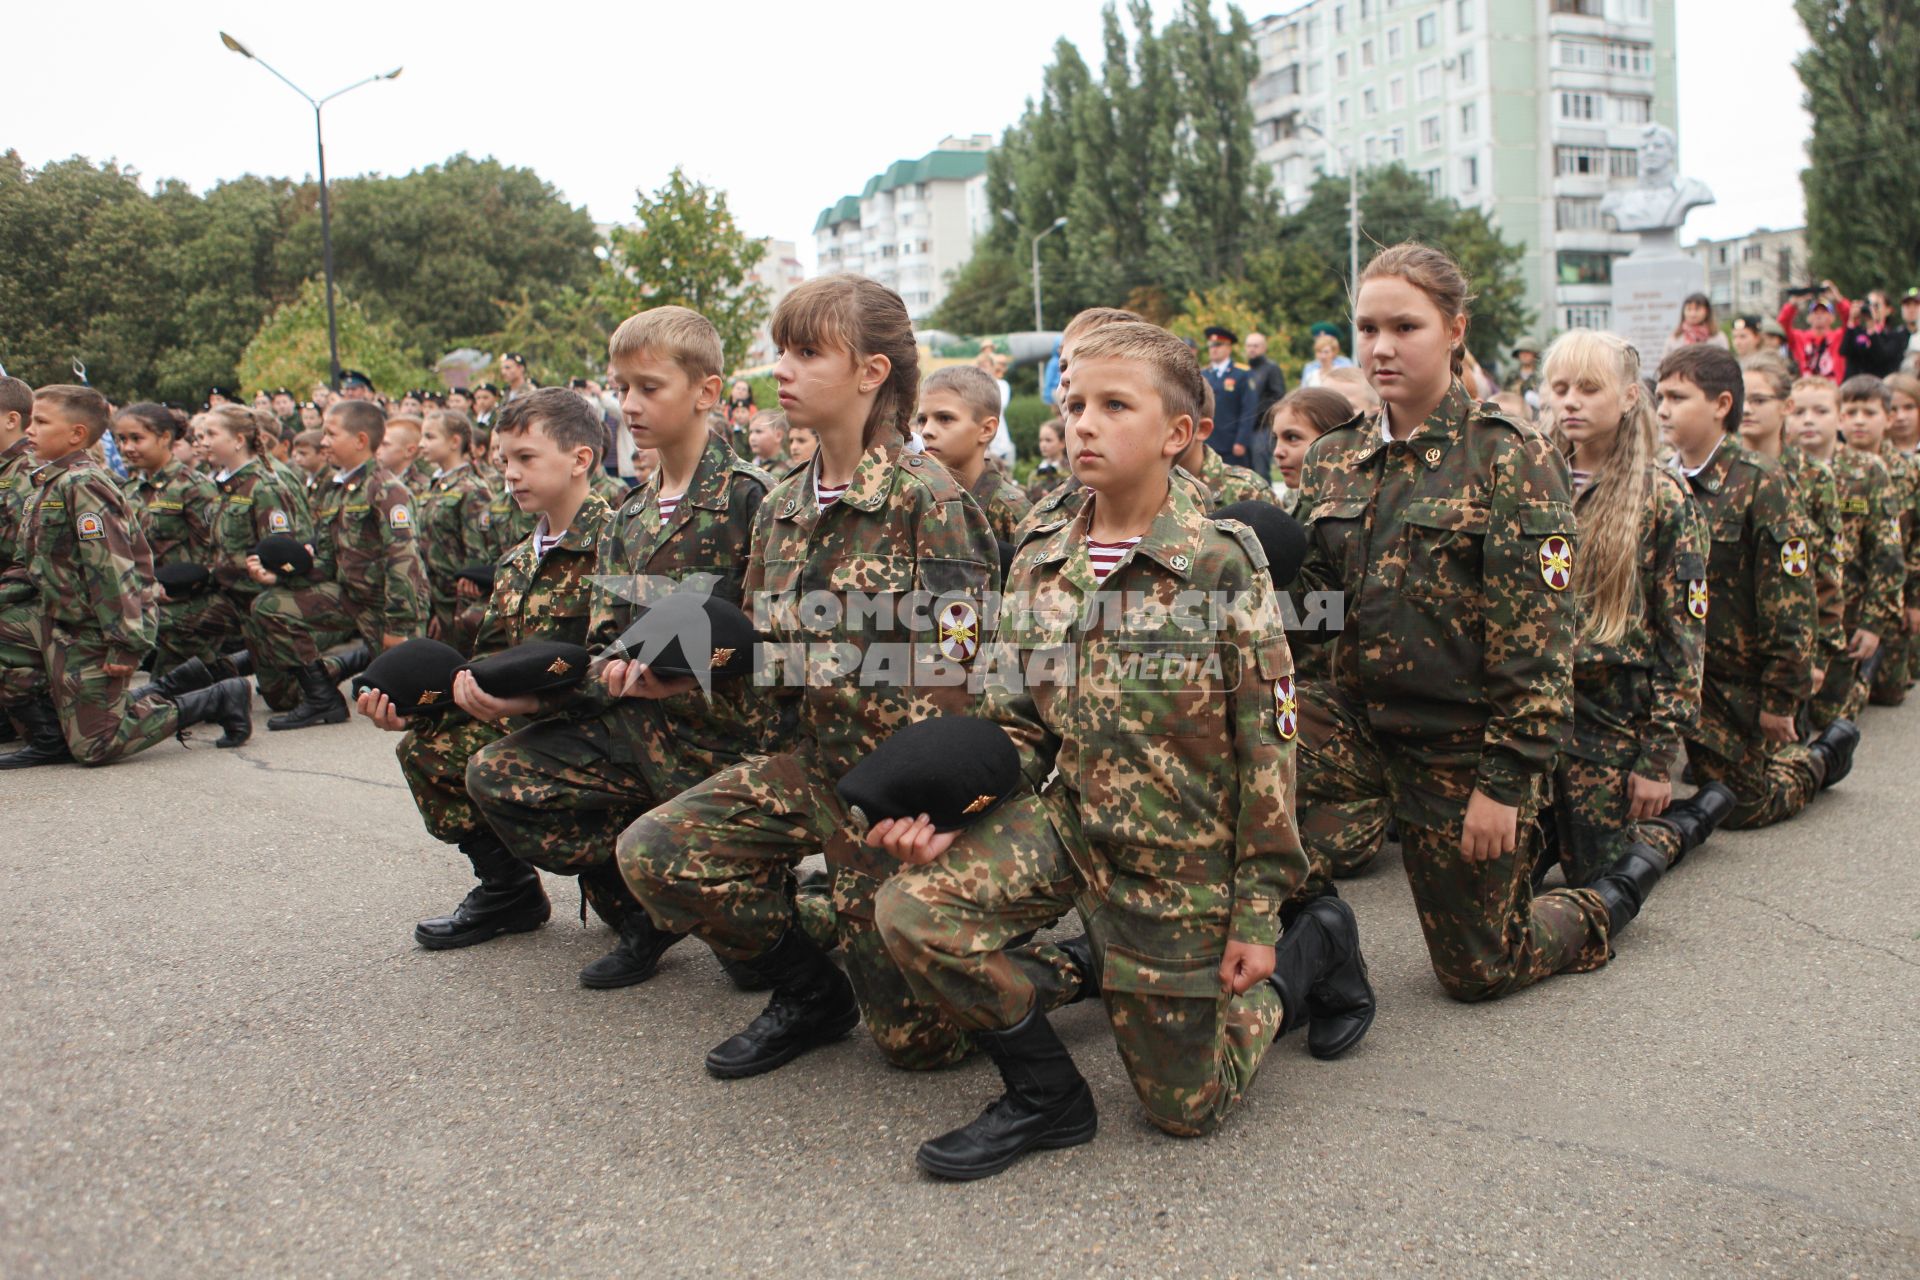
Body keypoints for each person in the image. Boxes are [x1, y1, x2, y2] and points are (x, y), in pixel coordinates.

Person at [871, 319, 1371, 1179]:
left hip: (1179, 859)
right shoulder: (1040, 554)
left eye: (1113, 405)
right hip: (1071, 822)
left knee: (1187, 1109)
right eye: (1074, 404)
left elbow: (1269, 743)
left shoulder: (1219, 563)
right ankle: (1045, 1098)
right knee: (914, 911)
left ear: (1179, 434)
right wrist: (961, 814)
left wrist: (1258, 912)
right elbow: (1017, 720)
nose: (1082, 424)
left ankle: (1310, 948)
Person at [615, 275, 1001, 1078]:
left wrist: (950, 812)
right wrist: (687, 678)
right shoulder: (782, 505)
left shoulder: (929, 499)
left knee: (918, 1050)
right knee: (656, 852)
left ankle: (1062, 957)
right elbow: (765, 650)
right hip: (814, 768)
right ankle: (807, 990)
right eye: (780, 351)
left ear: (870, 374)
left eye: (806, 352)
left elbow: (967, 670)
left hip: (899, 793)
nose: (780, 370)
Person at [1292, 242, 1639, 1004]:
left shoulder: (1510, 457)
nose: (1382, 346)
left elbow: (1541, 642)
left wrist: (1505, 783)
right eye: (1368, 327)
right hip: (1350, 722)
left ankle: (1600, 901)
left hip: (1460, 742)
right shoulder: (1331, 459)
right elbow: (1318, 613)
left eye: (1405, 326)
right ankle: (1310, 940)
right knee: (1238, 789)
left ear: (1454, 329)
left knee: (1482, 970)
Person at [466, 316, 778, 986]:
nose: (629, 405)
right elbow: (606, 649)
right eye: (621, 388)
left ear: (706, 391)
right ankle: (643, 909)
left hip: (724, 743)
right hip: (636, 730)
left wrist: (689, 671)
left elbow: (773, 641)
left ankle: (788, 909)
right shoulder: (628, 517)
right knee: (501, 774)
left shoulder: (754, 499)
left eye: (648, 387)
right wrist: (527, 697)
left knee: (759, 967)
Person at [357, 397, 613, 950]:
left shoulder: (618, 545)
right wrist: (420, 709)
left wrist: (526, 708)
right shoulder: (518, 559)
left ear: (580, 459)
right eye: (502, 461)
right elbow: (491, 663)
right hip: (537, 717)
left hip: (606, 722)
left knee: (634, 910)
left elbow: (621, 670)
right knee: (427, 748)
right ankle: (508, 889)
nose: (510, 473)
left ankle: (615, 874)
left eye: (525, 456)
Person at [1537, 330, 1725, 886]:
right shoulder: (1529, 479)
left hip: (1611, 719)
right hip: (1537, 711)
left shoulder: (1662, 495)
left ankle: (1679, 822)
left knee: (1604, 880)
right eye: (1560, 387)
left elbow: (1683, 637)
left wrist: (1656, 759)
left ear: (1627, 398)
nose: (1571, 401)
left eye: (1590, 388)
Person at [0, 385, 251, 768]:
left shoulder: (83, 485)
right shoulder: (47, 483)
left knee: (95, 746)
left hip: (94, 626)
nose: (30, 430)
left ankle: (210, 699)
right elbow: (28, 563)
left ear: (76, 434)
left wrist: (125, 642)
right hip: (59, 618)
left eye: (41, 422)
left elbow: (112, 570)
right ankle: (51, 734)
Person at [1657, 348, 1845, 830]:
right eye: (1660, 396)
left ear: (1721, 405)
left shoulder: (1762, 482)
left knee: (1740, 806)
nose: (1662, 409)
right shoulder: (1658, 478)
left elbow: (1790, 605)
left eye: (1678, 397)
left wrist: (1782, 698)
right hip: (1671, 673)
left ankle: (1815, 759)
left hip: (1731, 681)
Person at [244, 399, 429, 731]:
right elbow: (327, 559)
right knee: (269, 606)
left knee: (411, 704)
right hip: (348, 595)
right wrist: (281, 579)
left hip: (387, 605)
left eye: (330, 434)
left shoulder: (387, 489)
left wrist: (398, 628)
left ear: (360, 440)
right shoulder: (334, 488)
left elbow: (404, 563)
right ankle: (322, 698)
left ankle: (358, 664)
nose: (323, 441)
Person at [1743, 356, 1848, 699]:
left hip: (1792, 637)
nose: (1747, 409)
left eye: (1758, 400)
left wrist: (1817, 656)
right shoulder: (1723, 472)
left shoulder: (1813, 476)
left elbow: (1828, 569)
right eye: (1741, 398)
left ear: (1785, 406)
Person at [1809, 375, 1905, 726]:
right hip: (1806, 610)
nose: (1859, 421)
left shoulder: (1870, 471)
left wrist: (1875, 621)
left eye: (1869, 412)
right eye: (1853, 412)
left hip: (1852, 606)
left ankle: (1866, 670)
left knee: (1833, 717)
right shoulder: (1792, 468)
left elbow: (1888, 550)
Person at [110, 404, 222, 673]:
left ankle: (216, 673)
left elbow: (215, 551)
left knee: (171, 695)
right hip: (146, 594)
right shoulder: (130, 489)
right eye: (121, 440)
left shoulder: (193, 487)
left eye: (137, 439)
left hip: (186, 597)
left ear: (165, 438)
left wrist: (180, 587)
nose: (127, 447)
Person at [917, 365, 1032, 541]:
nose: (926, 430)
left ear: (986, 429)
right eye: (922, 420)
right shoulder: (918, 500)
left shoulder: (1012, 513)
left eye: (945, 418)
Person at [415, 410, 492, 654]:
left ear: (454, 442)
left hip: (456, 602)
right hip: (433, 598)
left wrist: (457, 612)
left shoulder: (472, 488)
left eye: (429, 437)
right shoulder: (436, 484)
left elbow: (476, 557)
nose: (421, 444)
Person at [1177, 377, 1273, 511]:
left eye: (1178, 427)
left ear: (1201, 429)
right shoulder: (1143, 488)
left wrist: (1240, 441)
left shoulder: (1247, 492)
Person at [1269, 388, 1352, 517]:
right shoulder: (1287, 505)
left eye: (1292, 438)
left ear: (1335, 440)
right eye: (1276, 438)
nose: (1277, 452)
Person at [1199, 326, 1255, 464]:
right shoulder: (1203, 374)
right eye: (1211, 345)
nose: (1213, 349)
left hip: (1232, 443)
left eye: (1218, 345)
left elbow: (1249, 410)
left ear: (1229, 348)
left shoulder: (1242, 374)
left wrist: (1241, 441)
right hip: (1208, 441)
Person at [1779, 284, 1850, 382]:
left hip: (1832, 388)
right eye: (1815, 312)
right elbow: (1781, 326)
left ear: (1832, 318)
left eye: (1824, 312)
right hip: (1807, 389)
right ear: (1809, 318)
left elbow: (1850, 320)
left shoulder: (1839, 336)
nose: (1819, 315)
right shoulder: (1799, 337)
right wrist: (1792, 304)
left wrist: (1838, 298)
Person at [1243, 332, 1287, 480]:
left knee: (1260, 469)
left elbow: (1278, 396)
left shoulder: (1271, 368)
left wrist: (1258, 413)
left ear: (1264, 348)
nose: (1252, 349)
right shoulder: (1244, 369)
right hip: (1245, 427)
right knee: (1244, 470)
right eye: (1249, 346)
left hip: (1262, 426)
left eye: (1255, 346)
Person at [376, 417, 432, 498]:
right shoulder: (370, 481)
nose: (377, 450)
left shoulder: (424, 488)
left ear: (409, 451)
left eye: (385, 445)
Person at [1025, 418, 1071, 503]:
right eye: (1041, 440)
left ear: (1062, 443)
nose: (1043, 445)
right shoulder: (1035, 473)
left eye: (1048, 440)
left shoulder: (1070, 472)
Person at [1298, 324, 1355, 389]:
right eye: (1319, 352)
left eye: (1326, 352)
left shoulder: (1345, 363)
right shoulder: (1310, 369)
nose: (1323, 356)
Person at [745, 408, 790, 473]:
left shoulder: (788, 469)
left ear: (778, 436)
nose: (752, 438)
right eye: (751, 432)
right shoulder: (753, 464)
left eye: (758, 431)